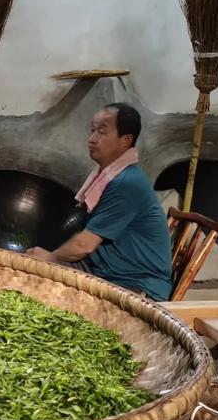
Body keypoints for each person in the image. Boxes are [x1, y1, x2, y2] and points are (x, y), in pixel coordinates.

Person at [27, 103, 172, 301]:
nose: (92, 139)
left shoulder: (127, 183)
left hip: (135, 284)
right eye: (92, 130)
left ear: (126, 140)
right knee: (30, 263)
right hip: (104, 270)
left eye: (102, 132)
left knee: (37, 273)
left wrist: (50, 258)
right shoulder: (112, 176)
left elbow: (84, 245)